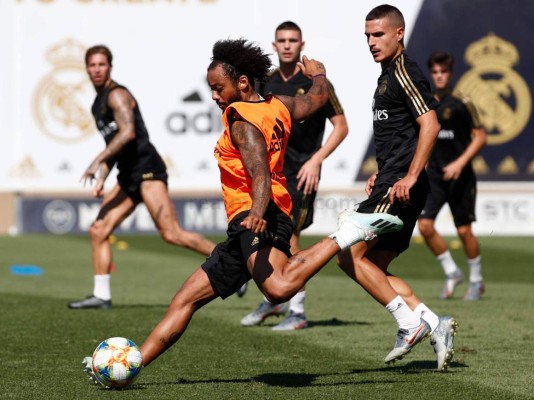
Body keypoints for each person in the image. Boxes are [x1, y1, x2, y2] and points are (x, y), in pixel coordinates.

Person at [82, 38, 403, 383]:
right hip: (249, 221)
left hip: (260, 215)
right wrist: (319, 74)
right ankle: (130, 365)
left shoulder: (241, 121)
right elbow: (316, 100)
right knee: (185, 300)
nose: (214, 96)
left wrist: (257, 213)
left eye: (218, 88)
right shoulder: (277, 104)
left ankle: (348, 231)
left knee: (278, 289)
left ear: (243, 83)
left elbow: (260, 173)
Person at [335, 5, 458, 371]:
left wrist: (409, 176)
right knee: (372, 264)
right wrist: (381, 170)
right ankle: (435, 325)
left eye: (379, 35)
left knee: (349, 256)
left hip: (400, 188)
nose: (372, 43)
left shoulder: (404, 71)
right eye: (368, 37)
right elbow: (399, 134)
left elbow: (430, 125)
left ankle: (409, 324)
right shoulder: (386, 75)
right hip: (391, 181)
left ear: (399, 33)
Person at [68, 45, 216, 309]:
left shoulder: (117, 95)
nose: (97, 69)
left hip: (148, 170)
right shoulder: (96, 104)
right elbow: (114, 144)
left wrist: (96, 160)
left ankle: (231, 262)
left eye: (102, 64)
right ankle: (101, 296)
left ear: (110, 67)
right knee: (98, 230)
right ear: (87, 68)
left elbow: (128, 134)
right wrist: (103, 177)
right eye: (92, 65)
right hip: (128, 176)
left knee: (171, 233)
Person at [240, 21, 349, 331]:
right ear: (274, 46)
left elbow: (341, 127)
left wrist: (316, 160)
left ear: (302, 45)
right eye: (282, 41)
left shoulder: (316, 84)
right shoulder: (266, 83)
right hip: (272, 172)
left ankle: (297, 312)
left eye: (293, 40)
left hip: (302, 172)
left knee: (292, 237)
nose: (287, 45)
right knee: (265, 232)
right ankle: (272, 299)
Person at [418, 51, 487, 300]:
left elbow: (480, 137)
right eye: (435, 72)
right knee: (425, 226)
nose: (439, 77)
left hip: (461, 176)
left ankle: (477, 281)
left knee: (464, 231)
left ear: (450, 73)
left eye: (443, 72)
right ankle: (452, 272)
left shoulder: (463, 102)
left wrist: (459, 163)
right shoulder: (425, 102)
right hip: (435, 176)